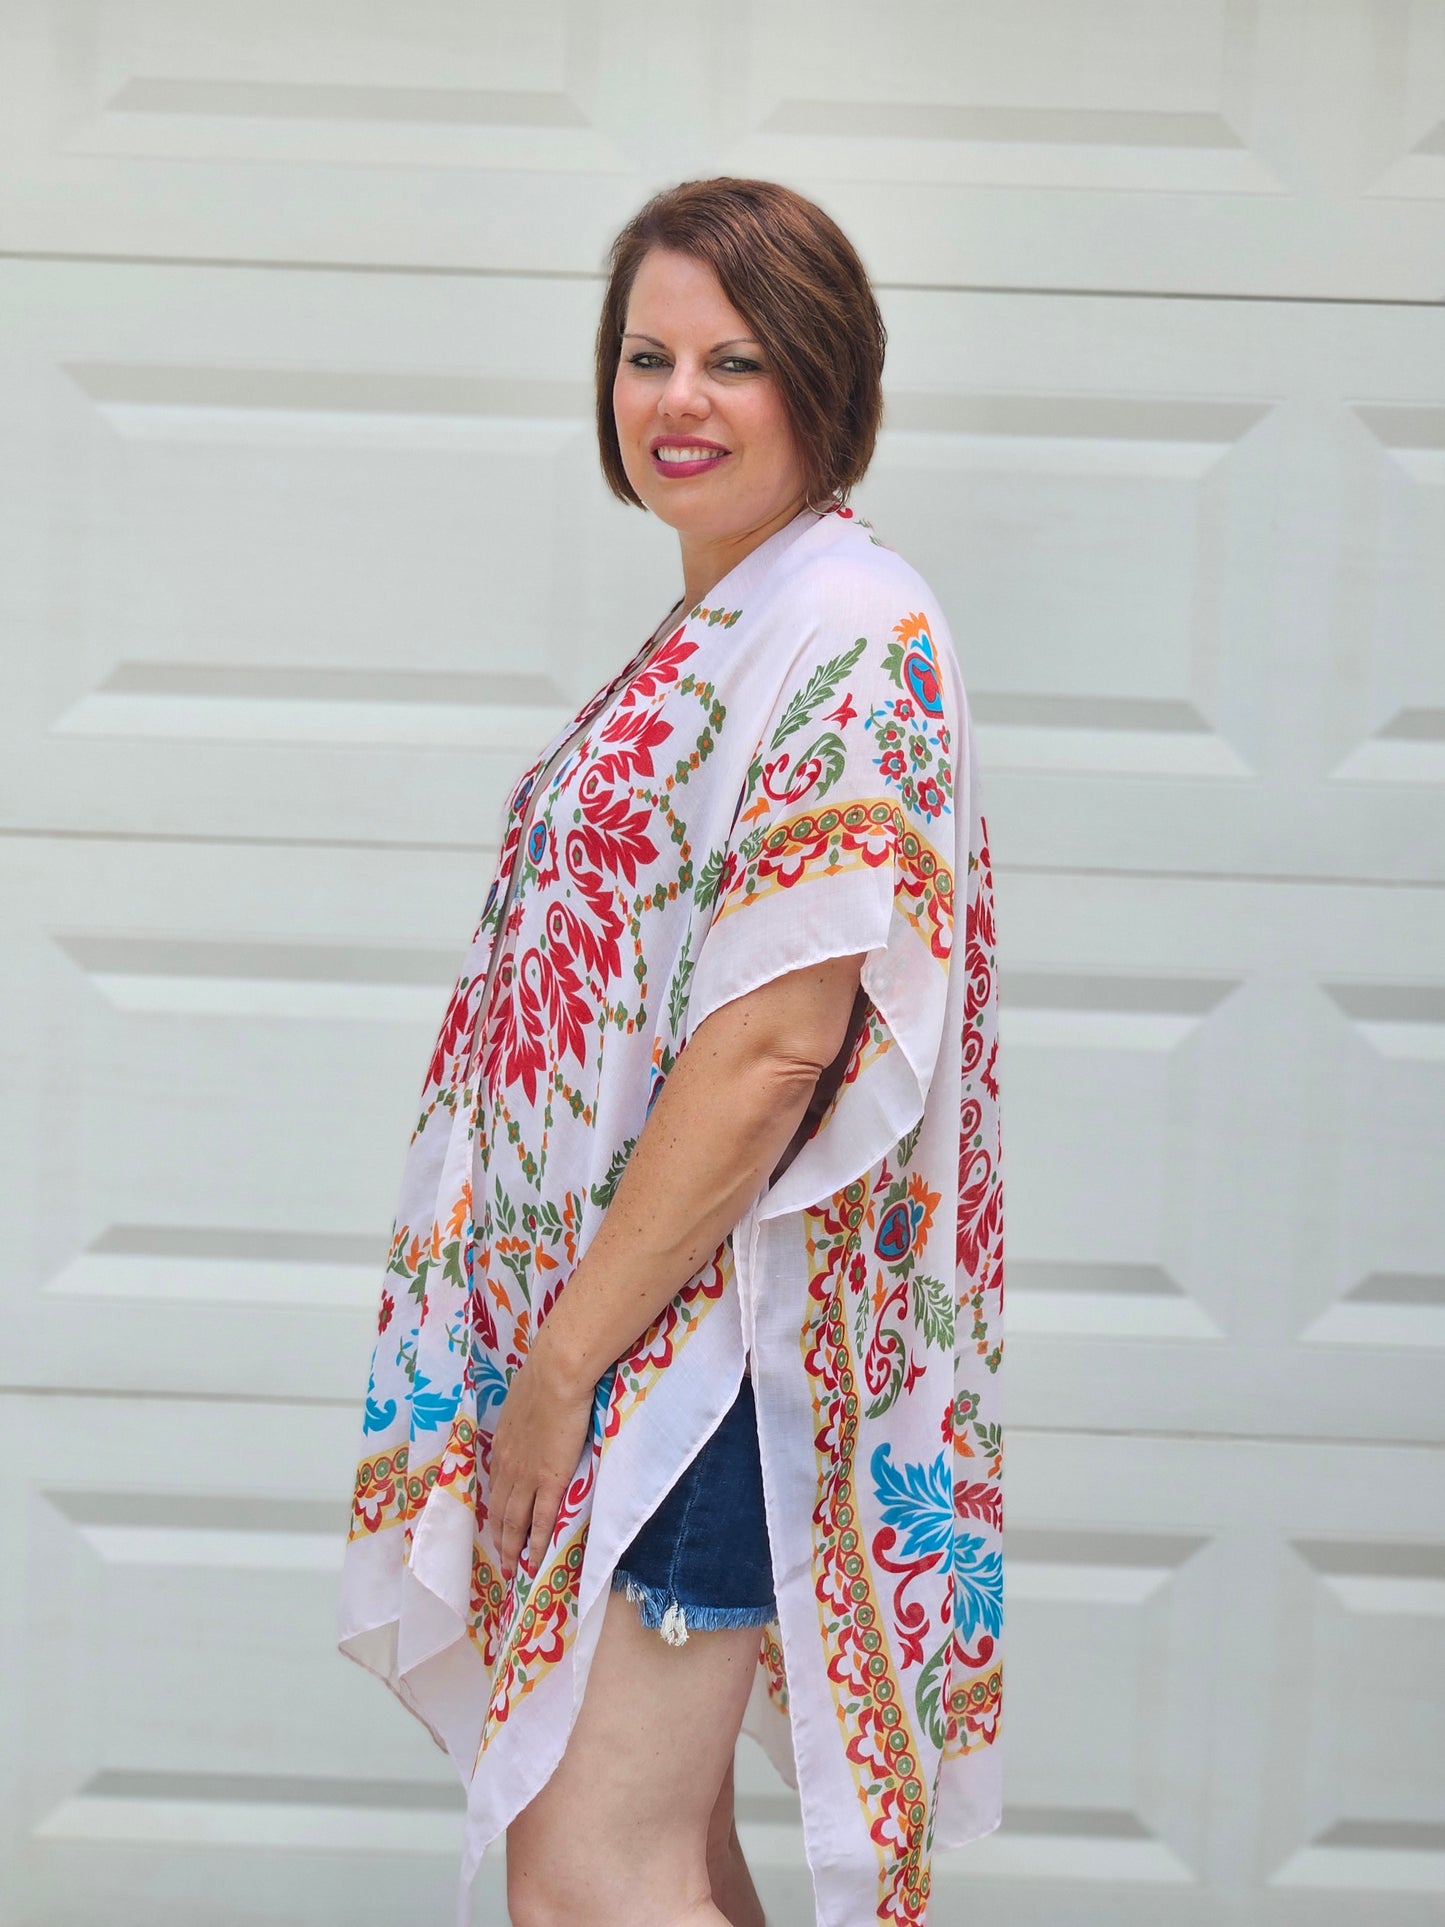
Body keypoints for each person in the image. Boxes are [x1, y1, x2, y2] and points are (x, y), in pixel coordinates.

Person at [337, 176, 1005, 1927]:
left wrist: (560, 1370)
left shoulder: (847, 622)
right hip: (634, 1334)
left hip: (694, 1360)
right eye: (646, 356)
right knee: (658, 1865)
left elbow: (778, 1047)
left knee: (591, 1882)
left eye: (736, 359)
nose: (678, 400)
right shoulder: (732, 624)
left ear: (824, 384)